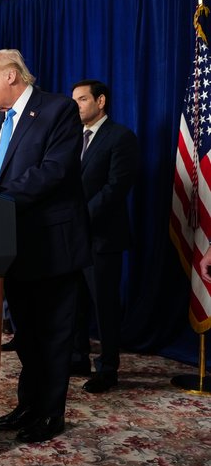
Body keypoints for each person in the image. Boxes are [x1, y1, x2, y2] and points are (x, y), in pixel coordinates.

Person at [0, 49, 90, 443]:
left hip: (52, 245)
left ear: (11, 75)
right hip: (14, 245)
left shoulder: (57, 109)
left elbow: (53, 172)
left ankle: (50, 414)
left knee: (54, 336)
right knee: (28, 336)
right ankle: (28, 406)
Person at [70, 79, 139, 393]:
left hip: (102, 237)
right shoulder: (72, 138)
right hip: (72, 236)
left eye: (82, 99)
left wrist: (81, 217)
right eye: (74, 100)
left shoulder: (120, 137)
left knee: (105, 305)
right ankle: (78, 357)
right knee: (75, 302)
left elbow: (115, 187)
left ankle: (108, 368)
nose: (77, 106)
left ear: (101, 101)